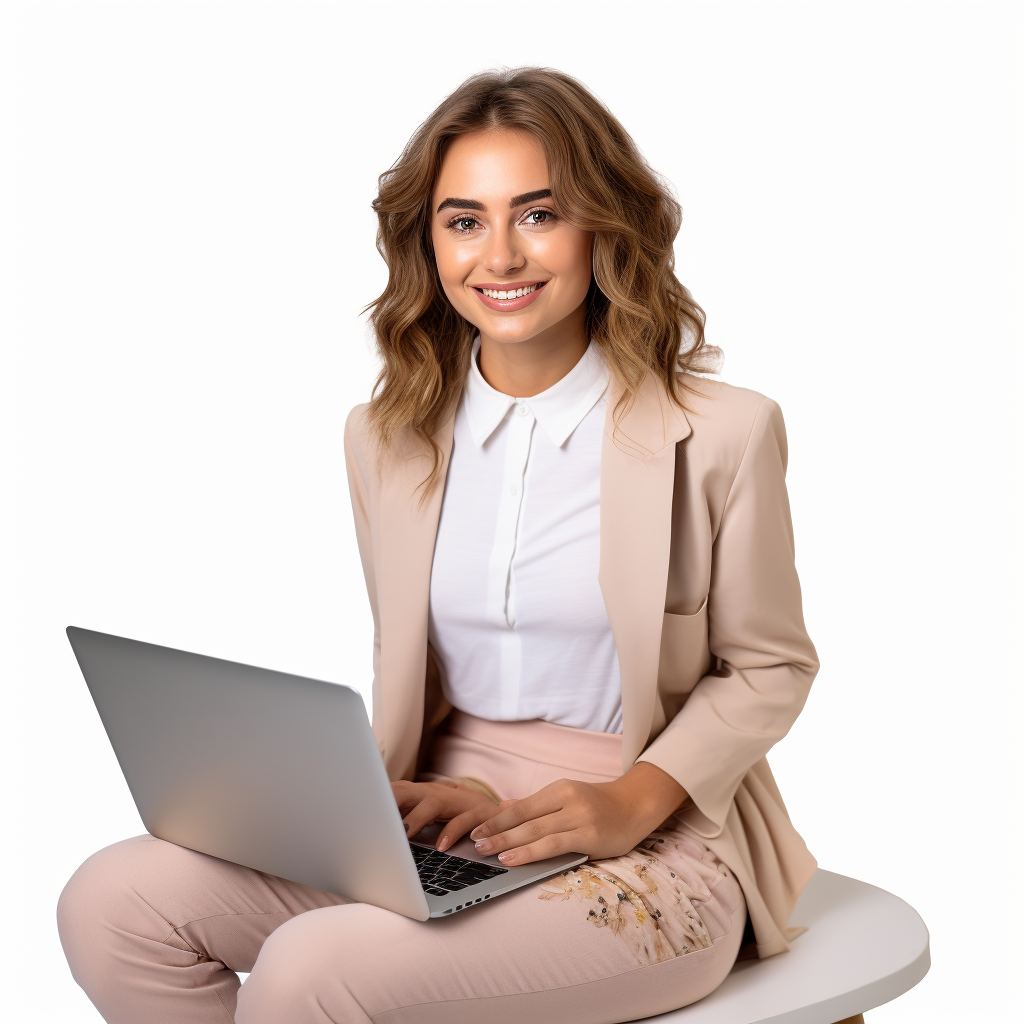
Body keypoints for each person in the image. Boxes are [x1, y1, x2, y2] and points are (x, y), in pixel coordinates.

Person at [57, 67, 820, 1024]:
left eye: (538, 214)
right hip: (439, 815)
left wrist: (630, 798)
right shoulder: (386, 436)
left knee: (311, 973)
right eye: (464, 221)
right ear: (428, 241)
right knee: (113, 902)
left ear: (604, 226)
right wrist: (395, 787)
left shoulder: (720, 431)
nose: (499, 256)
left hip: (652, 836)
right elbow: (414, 665)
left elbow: (770, 666)